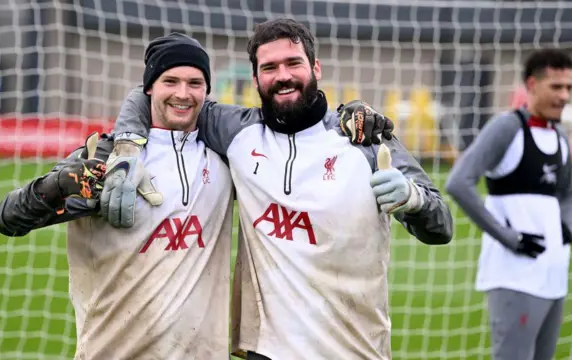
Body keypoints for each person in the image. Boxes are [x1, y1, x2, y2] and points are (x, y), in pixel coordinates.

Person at [105, 19, 453, 360]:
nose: (283, 75)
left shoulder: (363, 137)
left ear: (315, 67)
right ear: (255, 77)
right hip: (265, 350)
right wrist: (127, 146)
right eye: (269, 67)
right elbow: (158, 91)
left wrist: (413, 198)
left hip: (353, 347)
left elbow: (441, 227)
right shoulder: (235, 131)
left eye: (293, 63)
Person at [0, 33, 235, 360]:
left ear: (206, 89)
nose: (183, 93)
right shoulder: (108, 159)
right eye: (170, 81)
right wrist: (58, 185)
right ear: (148, 88)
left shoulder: (225, 160)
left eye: (195, 82)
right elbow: (8, 219)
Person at [446, 48, 572, 360]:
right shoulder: (507, 128)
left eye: (569, 88)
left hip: (553, 276)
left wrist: (566, 227)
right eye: (556, 87)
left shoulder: (561, 137)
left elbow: (567, 194)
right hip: (514, 276)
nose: (564, 96)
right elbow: (459, 183)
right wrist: (510, 238)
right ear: (531, 84)